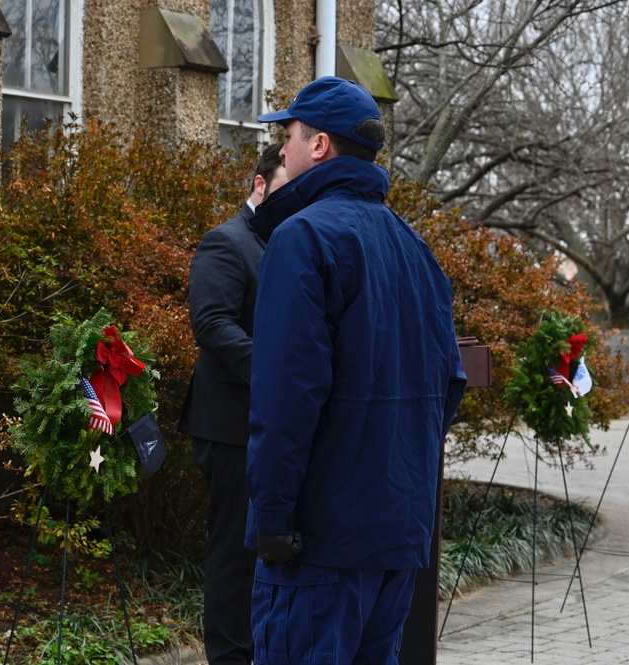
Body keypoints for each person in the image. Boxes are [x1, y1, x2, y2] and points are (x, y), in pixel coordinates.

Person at [245, 77, 467, 664]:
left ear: (319, 145)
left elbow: (286, 395)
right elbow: (449, 384)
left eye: (288, 134)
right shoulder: (414, 247)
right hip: (395, 535)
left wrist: (270, 514)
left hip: (320, 543)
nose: (282, 147)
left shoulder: (304, 237)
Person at [179, 142, 287, 665]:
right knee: (233, 554)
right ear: (259, 185)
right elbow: (213, 325)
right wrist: (278, 373)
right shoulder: (226, 241)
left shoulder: (288, 243)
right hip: (230, 428)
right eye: (285, 192)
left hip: (272, 425)